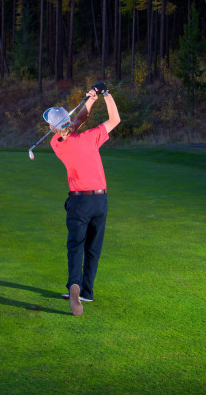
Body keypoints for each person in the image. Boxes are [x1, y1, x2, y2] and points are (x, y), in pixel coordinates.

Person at [46, 82, 120, 316]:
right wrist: (105, 95)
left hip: (78, 202)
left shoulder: (56, 143)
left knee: (75, 245)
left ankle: (74, 285)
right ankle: (87, 290)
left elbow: (78, 121)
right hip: (100, 201)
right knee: (93, 247)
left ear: (53, 127)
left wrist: (90, 100)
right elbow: (114, 120)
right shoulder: (90, 137)